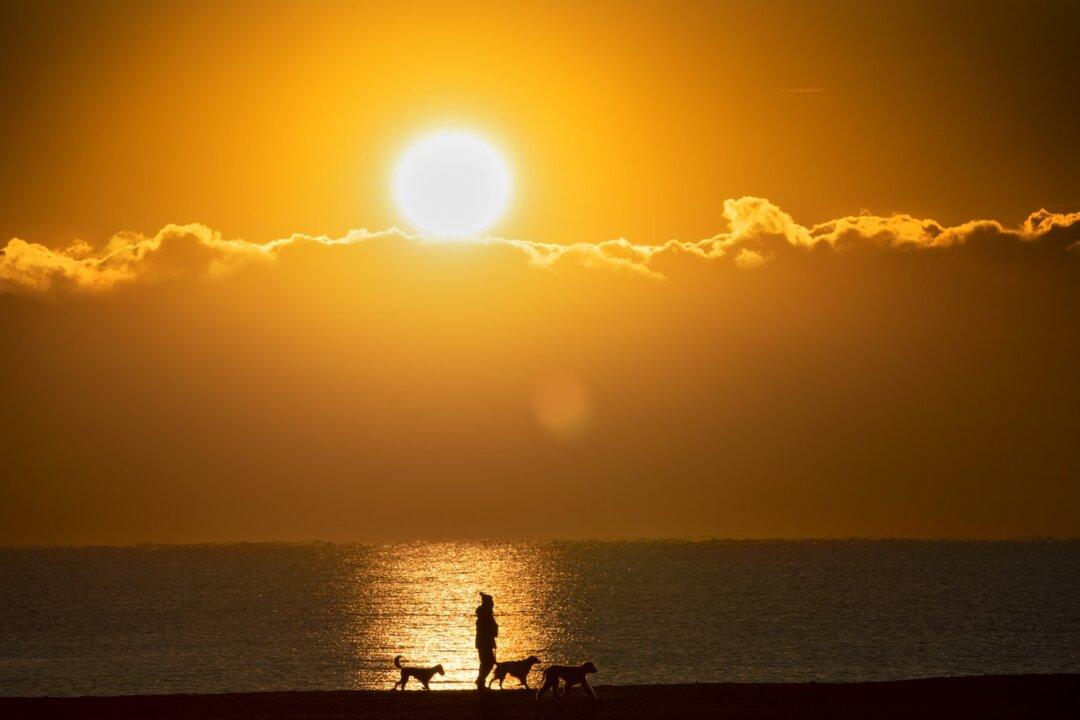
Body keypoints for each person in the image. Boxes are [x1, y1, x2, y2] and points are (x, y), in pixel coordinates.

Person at [475, 591, 498, 690]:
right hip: (485, 643)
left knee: (487, 662)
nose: (493, 604)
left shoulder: (485, 615)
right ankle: (480, 681)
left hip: (485, 642)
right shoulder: (485, 616)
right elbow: (486, 631)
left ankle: (481, 681)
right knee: (487, 662)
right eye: (491, 603)